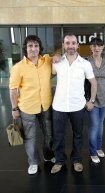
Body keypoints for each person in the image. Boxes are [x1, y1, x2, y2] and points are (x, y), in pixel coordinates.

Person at [50, 34, 97, 174]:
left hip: (78, 106)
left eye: (73, 43)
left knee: (78, 135)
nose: (70, 46)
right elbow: (50, 73)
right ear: (64, 45)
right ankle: (59, 160)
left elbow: (93, 83)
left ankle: (77, 159)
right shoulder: (57, 62)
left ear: (77, 45)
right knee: (58, 136)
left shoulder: (85, 63)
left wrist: (92, 100)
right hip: (59, 106)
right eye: (67, 43)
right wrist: (54, 55)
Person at [9, 35, 55, 175]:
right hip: (27, 108)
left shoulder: (46, 60)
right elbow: (13, 89)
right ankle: (33, 162)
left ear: (40, 47)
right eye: (30, 46)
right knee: (30, 137)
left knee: (49, 134)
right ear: (25, 48)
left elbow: (58, 57)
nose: (33, 49)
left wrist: (57, 56)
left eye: (36, 46)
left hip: (45, 105)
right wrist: (14, 108)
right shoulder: (18, 67)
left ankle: (48, 155)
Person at [86, 37, 105, 164]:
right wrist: (87, 100)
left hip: (104, 98)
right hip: (92, 99)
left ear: (102, 48)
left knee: (100, 125)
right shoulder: (86, 61)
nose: (96, 48)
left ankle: (99, 147)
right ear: (91, 48)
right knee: (94, 126)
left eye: (99, 46)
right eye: (94, 46)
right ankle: (93, 152)